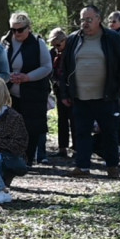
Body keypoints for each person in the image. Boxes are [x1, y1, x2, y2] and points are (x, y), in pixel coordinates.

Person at [58, 5, 120, 179]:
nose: (85, 23)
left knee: (110, 132)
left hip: (106, 96)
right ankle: (82, 167)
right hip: (80, 97)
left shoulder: (111, 38)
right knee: (81, 132)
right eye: (82, 19)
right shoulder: (73, 39)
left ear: (98, 19)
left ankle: (112, 167)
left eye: (89, 19)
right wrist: (65, 93)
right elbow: (65, 68)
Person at [2, 12, 52, 167]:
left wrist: (27, 77)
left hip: (33, 92)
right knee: (10, 126)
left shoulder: (38, 43)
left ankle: (28, 158)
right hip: (11, 92)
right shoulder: (6, 41)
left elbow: (47, 67)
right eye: (13, 30)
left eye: (20, 30)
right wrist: (7, 76)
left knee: (32, 127)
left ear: (28, 28)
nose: (16, 33)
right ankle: (11, 157)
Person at [48, 28, 73, 158]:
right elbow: (50, 70)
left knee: (74, 119)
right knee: (62, 119)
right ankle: (62, 147)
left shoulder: (71, 52)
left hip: (72, 89)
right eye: (53, 45)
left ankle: (77, 148)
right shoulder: (52, 53)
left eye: (58, 45)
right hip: (58, 89)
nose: (56, 48)